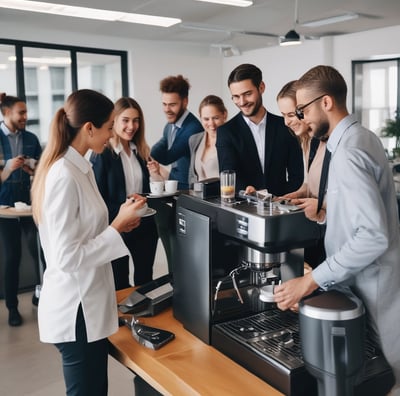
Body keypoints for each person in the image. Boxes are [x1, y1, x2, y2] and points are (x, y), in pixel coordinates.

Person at [273, 65, 400, 395]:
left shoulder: (350, 152)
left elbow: (373, 235)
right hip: (364, 283)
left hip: (373, 289)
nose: (302, 118)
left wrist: (310, 281)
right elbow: (353, 217)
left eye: (303, 110)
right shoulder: (359, 139)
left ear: (325, 102)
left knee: (385, 380)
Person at [31, 89, 146, 396]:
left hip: (88, 303)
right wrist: (116, 228)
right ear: (89, 128)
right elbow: (66, 258)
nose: (112, 134)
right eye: (109, 126)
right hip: (75, 310)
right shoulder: (64, 175)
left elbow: (84, 233)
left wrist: (117, 222)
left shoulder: (81, 167)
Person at [91, 97, 158, 289]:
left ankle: (145, 319)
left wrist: (155, 177)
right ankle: (122, 320)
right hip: (117, 226)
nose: (132, 126)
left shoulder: (142, 151)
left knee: (146, 281)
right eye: (126, 120)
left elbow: (149, 191)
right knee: (120, 282)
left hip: (144, 225)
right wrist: (124, 209)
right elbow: (98, 198)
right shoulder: (102, 154)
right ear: (114, 121)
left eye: (136, 120)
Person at [216, 63, 304, 196]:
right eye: (236, 96)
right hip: (244, 207)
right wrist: (246, 191)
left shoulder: (285, 126)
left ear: (261, 87)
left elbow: (296, 175)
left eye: (247, 94)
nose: (242, 102)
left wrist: (283, 201)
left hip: (281, 206)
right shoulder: (226, 132)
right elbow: (229, 174)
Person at [0, 93, 42, 326]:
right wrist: (7, 168)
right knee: (12, 257)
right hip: (4, 209)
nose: (26, 116)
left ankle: (39, 294)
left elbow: (41, 172)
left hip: (29, 207)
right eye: (21, 112)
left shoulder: (32, 139)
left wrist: (32, 169)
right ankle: (12, 308)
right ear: (7, 113)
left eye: (26, 112)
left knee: (39, 254)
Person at [276, 81, 326, 268]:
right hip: (316, 229)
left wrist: (320, 205)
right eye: (283, 115)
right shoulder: (308, 141)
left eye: (290, 115)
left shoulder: (329, 143)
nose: (286, 122)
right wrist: (299, 193)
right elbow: (315, 183)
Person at [150, 74, 203, 190]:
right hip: (174, 186)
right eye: (164, 104)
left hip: (189, 190)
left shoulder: (193, 129)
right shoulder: (169, 126)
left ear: (185, 102)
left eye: (172, 105)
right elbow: (160, 146)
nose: (167, 110)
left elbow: (166, 157)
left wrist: (146, 150)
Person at [188, 94, 227, 187]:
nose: (211, 124)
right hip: (197, 199)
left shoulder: (233, 140)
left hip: (222, 199)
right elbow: (192, 176)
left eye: (215, 118)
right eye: (206, 119)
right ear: (200, 118)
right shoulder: (194, 140)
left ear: (224, 115)